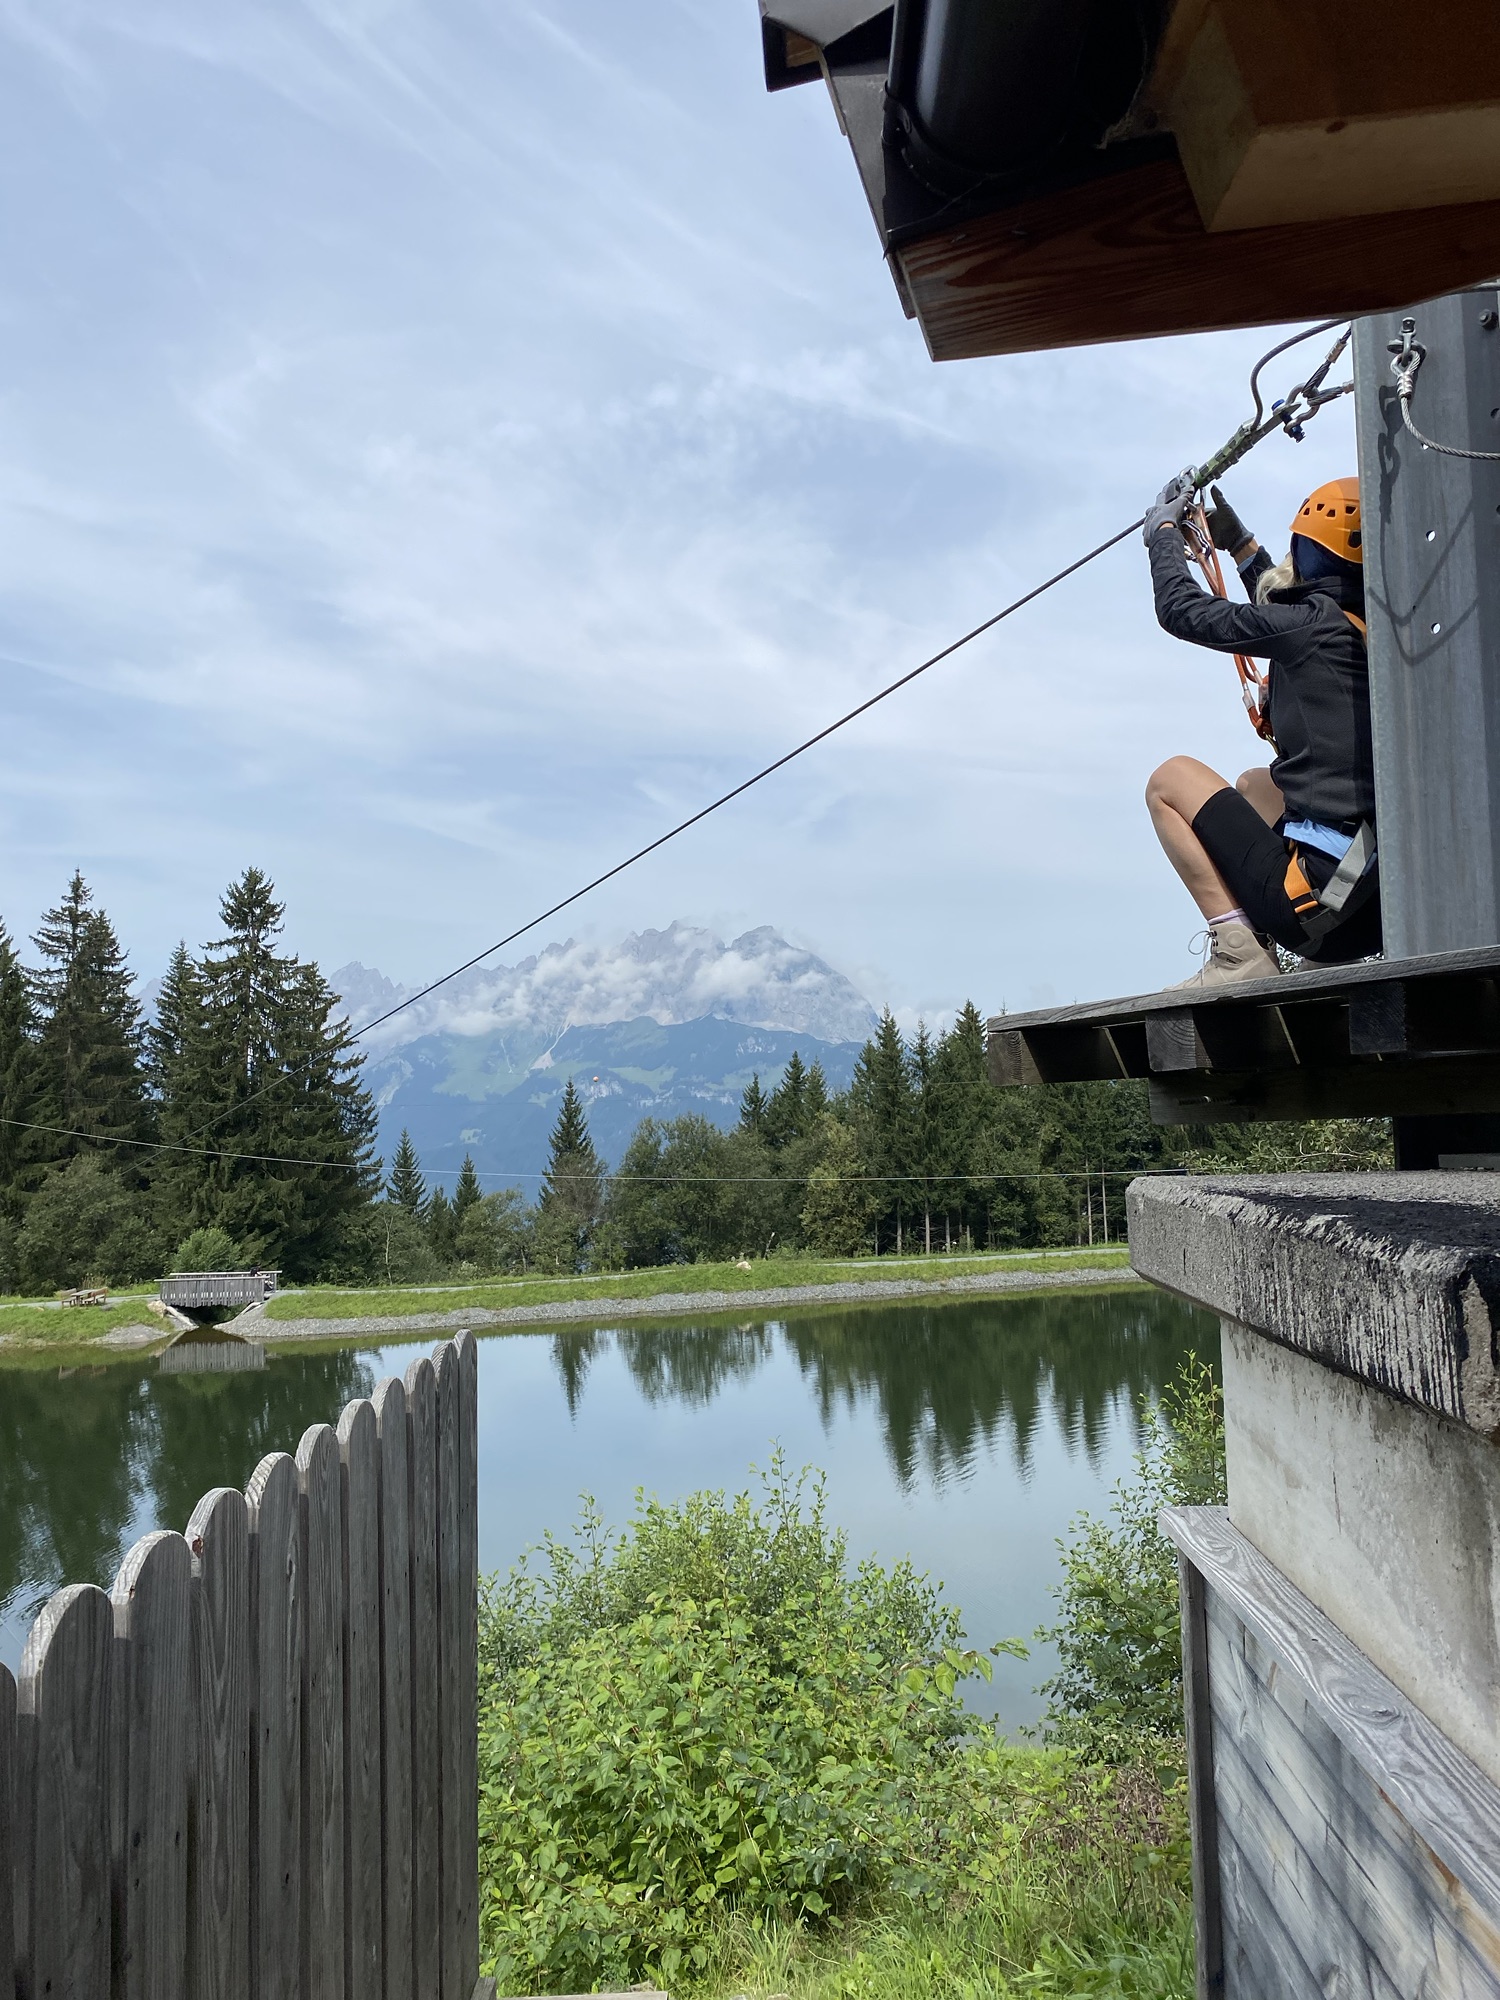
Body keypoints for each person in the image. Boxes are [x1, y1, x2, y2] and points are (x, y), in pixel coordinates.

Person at [1142, 473, 1380, 988]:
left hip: (1316, 911)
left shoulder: (1312, 626)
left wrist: (1162, 534)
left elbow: (1182, 611)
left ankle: (1239, 953)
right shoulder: (1366, 627)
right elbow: (1290, 611)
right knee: (1254, 784)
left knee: (1169, 780)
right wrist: (1241, 547)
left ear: (1311, 553)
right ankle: (1285, 949)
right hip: (1371, 916)